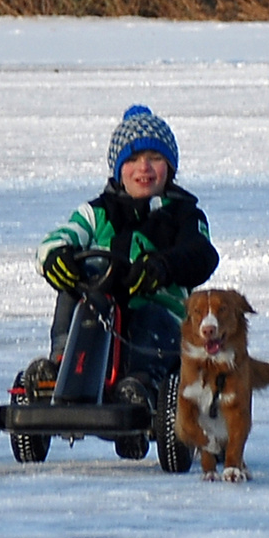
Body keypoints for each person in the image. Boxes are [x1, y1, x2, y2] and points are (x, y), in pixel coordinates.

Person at [27, 105, 219, 406]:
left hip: (158, 314)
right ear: (118, 169)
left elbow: (201, 254)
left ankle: (141, 385)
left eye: (154, 158)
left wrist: (162, 267)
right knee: (71, 295)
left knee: (152, 317)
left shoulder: (184, 215)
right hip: (98, 310)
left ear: (169, 166)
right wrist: (55, 257)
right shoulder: (97, 212)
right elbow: (57, 238)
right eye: (132, 159)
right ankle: (60, 366)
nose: (144, 168)